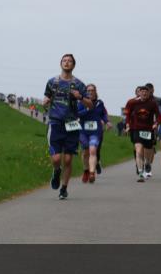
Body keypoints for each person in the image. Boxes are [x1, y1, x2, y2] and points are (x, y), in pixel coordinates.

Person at [42, 54, 94, 200]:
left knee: (68, 160)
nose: (67, 63)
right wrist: (45, 102)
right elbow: (46, 98)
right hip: (55, 122)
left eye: (69, 61)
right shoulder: (52, 82)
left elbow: (90, 105)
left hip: (72, 124)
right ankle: (56, 171)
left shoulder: (79, 84)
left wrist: (80, 97)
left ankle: (64, 188)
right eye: (64, 60)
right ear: (60, 63)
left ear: (73, 65)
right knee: (57, 158)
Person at [125, 85, 161, 183]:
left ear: (149, 93)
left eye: (146, 92)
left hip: (148, 130)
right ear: (139, 93)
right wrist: (128, 125)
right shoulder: (132, 102)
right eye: (142, 92)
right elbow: (127, 114)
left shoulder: (152, 104)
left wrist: (156, 123)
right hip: (136, 129)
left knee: (149, 149)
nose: (144, 93)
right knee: (139, 150)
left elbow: (159, 116)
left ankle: (148, 163)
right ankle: (141, 172)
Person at [77, 84, 110, 183]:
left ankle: (92, 173)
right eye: (88, 90)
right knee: (85, 151)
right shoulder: (81, 102)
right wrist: (87, 109)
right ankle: (86, 170)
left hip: (95, 131)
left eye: (92, 90)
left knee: (92, 150)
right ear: (85, 92)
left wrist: (107, 121)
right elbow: (77, 114)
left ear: (95, 91)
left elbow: (103, 114)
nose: (90, 92)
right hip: (83, 131)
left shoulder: (100, 103)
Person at [142, 83, 161, 178]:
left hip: (154, 126)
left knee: (151, 147)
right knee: (142, 146)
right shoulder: (141, 100)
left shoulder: (158, 100)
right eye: (147, 90)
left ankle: (148, 165)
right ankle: (145, 163)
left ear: (153, 90)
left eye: (150, 89)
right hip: (142, 126)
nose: (148, 91)